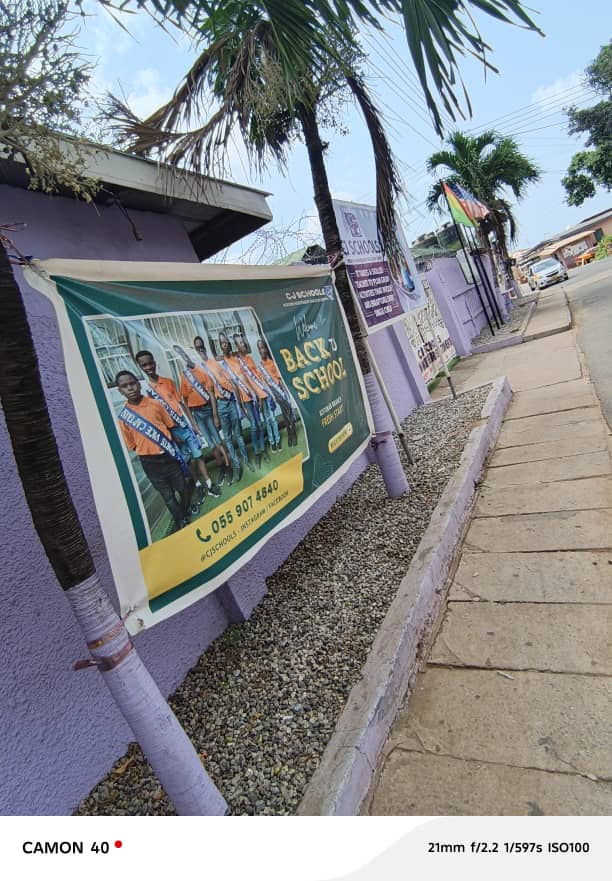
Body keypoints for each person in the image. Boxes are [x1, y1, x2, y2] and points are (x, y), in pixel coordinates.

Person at [134, 350, 221, 508]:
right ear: (140, 367)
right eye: (144, 365)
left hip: (184, 426)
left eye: (150, 363)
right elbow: (156, 418)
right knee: (187, 460)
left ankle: (209, 483)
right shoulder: (147, 391)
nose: (148, 367)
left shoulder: (168, 382)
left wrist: (193, 424)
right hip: (172, 432)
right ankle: (198, 485)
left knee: (198, 455)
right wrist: (172, 436)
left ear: (154, 362)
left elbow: (181, 404)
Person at [115, 370, 191, 536]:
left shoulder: (156, 404)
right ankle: (180, 520)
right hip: (150, 463)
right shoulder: (123, 417)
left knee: (182, 487)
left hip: (168, 456)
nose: (130, 388)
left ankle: (185, 510)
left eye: (132, 383)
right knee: (167, 495)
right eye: (125, 386)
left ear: (138, 384)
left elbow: (169, 425)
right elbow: (132, 445)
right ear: (120, 391)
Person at [172, 344, 235, 486]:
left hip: (208, 410)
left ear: (188, 355)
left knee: (218, 441)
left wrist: (215, 415)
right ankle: (221, 467)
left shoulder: (201, 371)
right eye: (180, 356)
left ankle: (228, 466)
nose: (184, 358)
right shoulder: (184, 376)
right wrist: (193, 422)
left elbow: (212, 394)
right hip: (197, 414)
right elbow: (185, 401)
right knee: (211, 444)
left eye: (184, 355)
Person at [216, 332, 257, 472]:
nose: (225, 344)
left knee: (238, 434)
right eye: (222, 343)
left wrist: (242, 404)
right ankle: (237, 465)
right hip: (224, 403)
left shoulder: (235, 359)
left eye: (226, 342)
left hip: (236, 401)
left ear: (229, 344)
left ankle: (246, 460)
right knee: (228, 438)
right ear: (219, 345)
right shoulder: (219, 364)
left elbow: (239, 381)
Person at [232, 332, 275, 465]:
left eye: (243, 341)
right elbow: (238, 384)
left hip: (257, 396)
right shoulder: (236, 362)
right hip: (247, 399)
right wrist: (242, 406)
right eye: (240, 343)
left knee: (260, 424)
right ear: (237, 346)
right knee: (253, 427)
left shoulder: (249, 359)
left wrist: (260, 397)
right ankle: (256, 453)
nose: (244, 344)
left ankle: (263, 450)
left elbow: (256, 379)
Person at [256, 338, 298, 448]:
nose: (261, 350)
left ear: (266, 349)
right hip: (273, 393)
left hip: (280, 390)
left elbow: (279, 379)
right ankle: (290, 434)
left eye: (263, 348)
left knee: (287, 412)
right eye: (259, 348)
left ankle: (293, 434)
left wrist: (286, 392)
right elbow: (265, 383)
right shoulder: (260, 366)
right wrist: (272, 395)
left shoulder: (272, 362)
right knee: (285, 413)